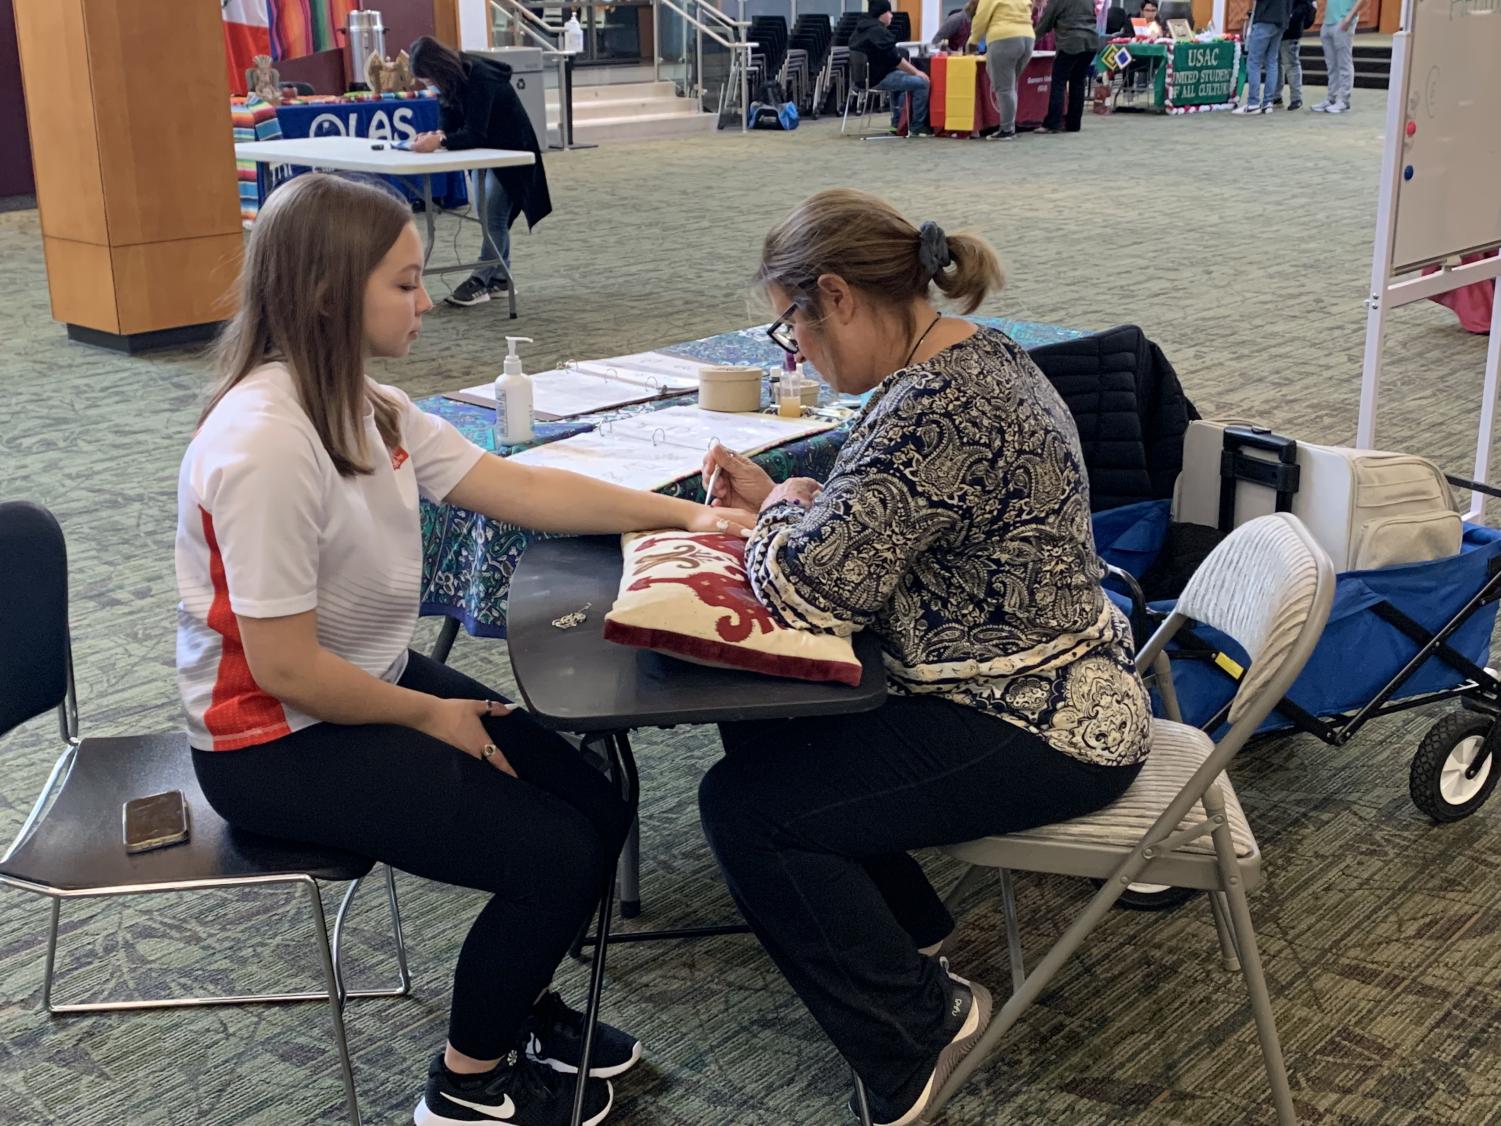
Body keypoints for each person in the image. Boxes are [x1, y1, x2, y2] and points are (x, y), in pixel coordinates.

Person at [177, 173, 755, 1126]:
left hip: (361, 684)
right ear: (329, 294)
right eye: (404, 283)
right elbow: (280, 669)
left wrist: (692, 517)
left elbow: (521, 490)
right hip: (271, 740)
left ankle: (518, 1009)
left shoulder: (371, 406)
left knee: (594, 798)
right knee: (553, 857)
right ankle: (466, 1085)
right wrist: (429, 714)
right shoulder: (264, 445)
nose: (426, 299)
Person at [696, 189, 1152, 1126]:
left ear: (838, 296)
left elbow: (813, 591)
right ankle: (912, 946)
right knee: (766, 736)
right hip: (1045, 681)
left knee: (746, 811)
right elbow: (895, 519)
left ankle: (912, 1032)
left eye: (793, 331)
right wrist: (801, 501)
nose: (798, 357)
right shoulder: (967, 362)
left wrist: (778, 508)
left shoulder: (933, 412)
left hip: (1038, 720)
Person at [408, 36, 551, 308]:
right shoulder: (452, 82)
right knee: (488, 215)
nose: (429, 87)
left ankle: (481, 279)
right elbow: (449, 122)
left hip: (510, 152)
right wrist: (437, 135)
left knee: (492, 216)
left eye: (428, 81)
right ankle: (500, 278)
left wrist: (440, 141)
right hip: (484, 152)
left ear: (438, 70)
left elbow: (475, 132)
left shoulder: (482, 78)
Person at [851, 0, 932, 135]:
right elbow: (897, 60)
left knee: (900, 80)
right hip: (879, 79)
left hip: (862, 79)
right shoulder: (879, 32)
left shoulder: (860, 30)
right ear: (880, 14)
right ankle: (917, 126)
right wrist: (917, 72)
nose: (891, 16)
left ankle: (897, 124)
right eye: (888, 12)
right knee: (923, 83)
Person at [970, 0, 1037, 140]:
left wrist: (973, 40)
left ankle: (1006, 129)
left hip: (1004, 37)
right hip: (1028, 38)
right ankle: (1009, 126)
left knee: (1004, 88)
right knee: (1010, 86)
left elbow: (981, 18)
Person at [1034, 0, 1101, 133]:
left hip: (1070, 43)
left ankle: (1053, 123)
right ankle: (1074, 124)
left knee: (1058, 82)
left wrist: (1031, 38)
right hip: (1090, 42)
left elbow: (1046, 23)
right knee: (1078, 82)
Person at [1234, 0, 1290, 115]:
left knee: (1254, 62)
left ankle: (1253, 103)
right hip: (1281, 20)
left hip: (1265, 18)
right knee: (1272, 62)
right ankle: (1268, 102)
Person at [1314, 0, 1359, 114]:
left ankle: (1344, 100)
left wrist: (1349, 17)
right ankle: (1331, 98)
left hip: (1343, 20)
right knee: (1331, 64)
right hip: (1328, 21)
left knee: (1344, 62)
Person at [1274, 0, 1317, 109]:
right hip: (1276, 28)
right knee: (1275, 64)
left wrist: (1290, 16)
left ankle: (1296, 98)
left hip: (1291, 29)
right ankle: (1275, 97)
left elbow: (1306, 5)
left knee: (1291, 64)